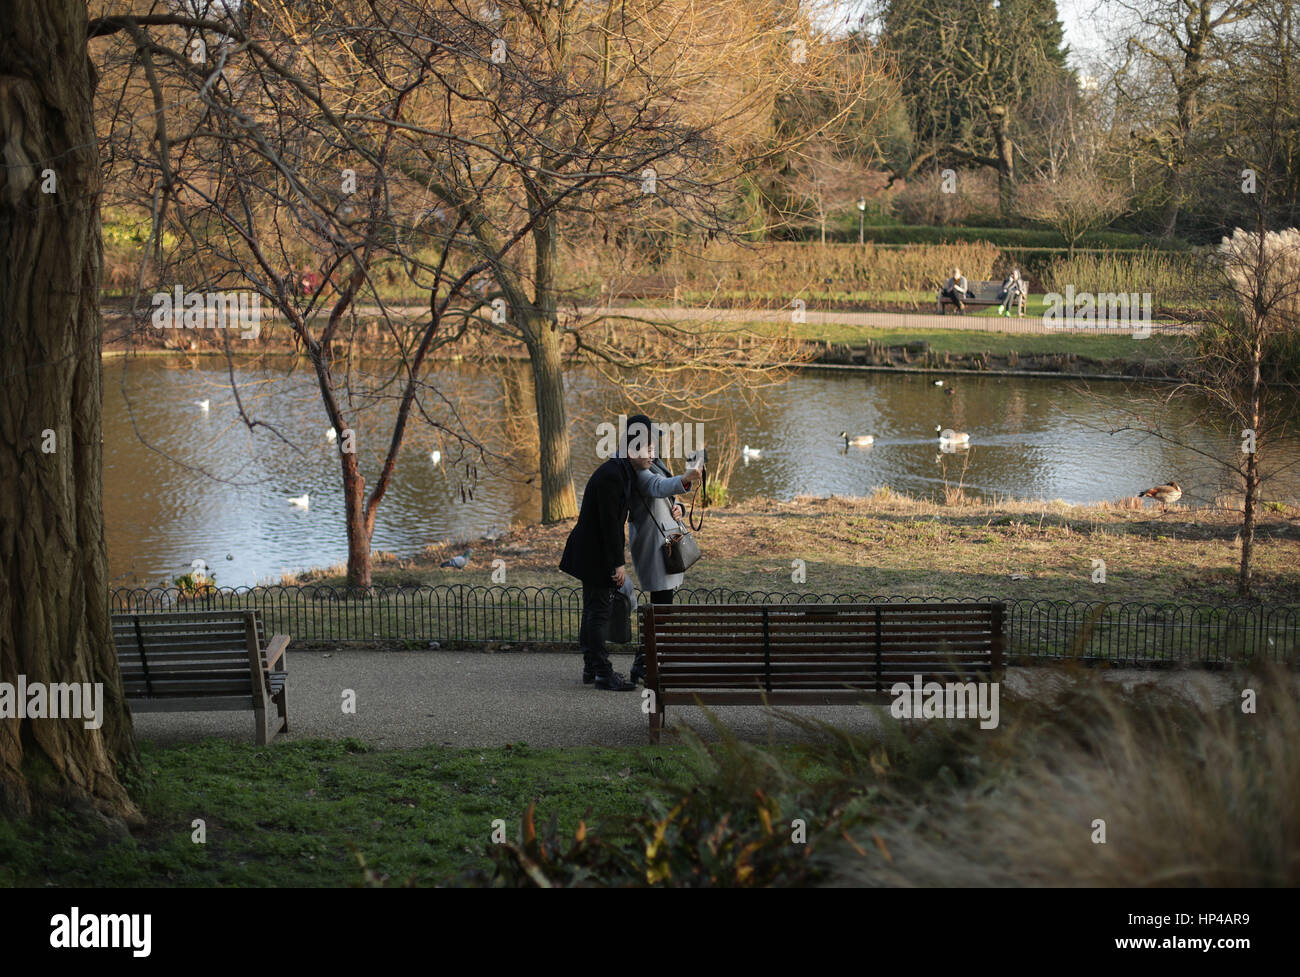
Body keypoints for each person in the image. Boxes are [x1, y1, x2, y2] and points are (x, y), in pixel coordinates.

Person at [558, 417, 647, 690]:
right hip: (594, 554)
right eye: (649, 449)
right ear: (632, 452)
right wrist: (618, 564)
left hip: (590, 551)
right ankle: (603, 673)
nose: (653, 454)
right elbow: (610, 525)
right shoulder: (612, 476)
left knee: (592, 610)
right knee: (598, 612)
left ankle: (591, 667)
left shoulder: (620, 470)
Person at [624, 414, 702, 684]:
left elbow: (664, 493)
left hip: (664, 543)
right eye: (648, 444)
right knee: (661, 610)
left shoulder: (652, 463)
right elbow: (657, 486)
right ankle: (645, 665)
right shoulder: (639, 472)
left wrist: (676, 505)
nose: (654, 448)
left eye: (654, 443)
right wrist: (685, 478)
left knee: (661, 610)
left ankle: (644, 664)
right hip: (654, 547)